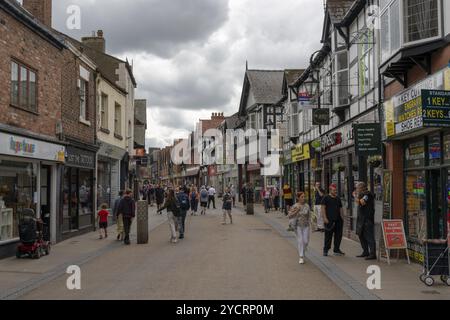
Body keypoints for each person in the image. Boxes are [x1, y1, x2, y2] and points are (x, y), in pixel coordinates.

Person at [355, 182, 377, 260]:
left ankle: (373, 254)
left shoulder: (367, 195)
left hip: (367, 220)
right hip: (361, 219)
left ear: (362, 188)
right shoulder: (362, 194)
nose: (356, 190)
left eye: (357, 188)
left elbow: (362, 202)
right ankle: (365, 251)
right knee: (361, 235)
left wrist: (355, 196)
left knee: (369, 237)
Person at [321, 184, 345, 256]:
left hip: (338, 220)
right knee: (328, 236)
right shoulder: (326, 198)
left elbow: (341, 209)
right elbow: (323, 208)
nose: (335, 191)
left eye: (336, 190)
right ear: (330, 190)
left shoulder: (338, 198)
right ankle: (326, 250)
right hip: (329, 220)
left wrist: (343, 217)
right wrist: (324, 218)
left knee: (338, 236)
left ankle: (336, 250)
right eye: (334, 190)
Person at [288, 192, 311, 264]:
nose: (304, 198)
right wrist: (297, 211)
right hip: (298, 226)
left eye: (304, 197)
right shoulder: (295, 206)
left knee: (306, 241)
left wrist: (312, 223)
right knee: (300, 241)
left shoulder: (307, 206)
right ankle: (301, 257)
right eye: (302, 197)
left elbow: (309, 216)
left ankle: (303, 251)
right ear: (298, 198)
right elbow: (289, 216)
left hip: (306, 225)